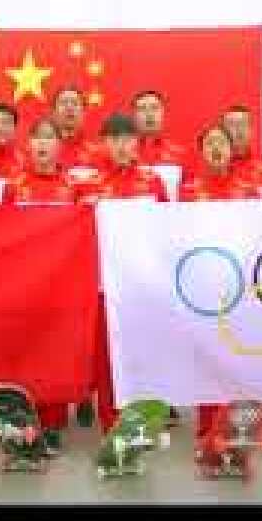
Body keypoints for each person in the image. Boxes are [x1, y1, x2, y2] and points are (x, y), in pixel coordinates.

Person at [76, 113, 170, 433]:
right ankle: (110, 424)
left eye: (127, 139)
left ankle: (140, 420)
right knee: (106, 357)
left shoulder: (152, 182)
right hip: (101, 285)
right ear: (103, 143)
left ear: (137, 143)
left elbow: (165, 230)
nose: (121, 146)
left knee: (141, 352)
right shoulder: (85, 184)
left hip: (139, 283)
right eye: (114, 139)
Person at [0, 116, 87, 455]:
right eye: (36, 137)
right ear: (28, 145)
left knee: (55, 354)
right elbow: (1, 233)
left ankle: (52, 423)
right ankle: (23, 420)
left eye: (49, 138)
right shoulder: (13, 186)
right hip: (23, 284)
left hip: (62, 283)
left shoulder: (74, 186)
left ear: (59, 146)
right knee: (24, 353)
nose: (42, 143)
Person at [179, 123, 262, 442]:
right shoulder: (187, 191)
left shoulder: (249, 189)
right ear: (201, 151)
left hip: (240, 285)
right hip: (203, 286)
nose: (216, 148)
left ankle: (238, 425)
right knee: (207, 356)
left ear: (232, 150)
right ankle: (206, 428)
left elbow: (260, 234)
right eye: (210, 143)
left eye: (222, 143)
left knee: (239, 354)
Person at [132, 89, 188, 199]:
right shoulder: (124, 154)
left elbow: (189, 196)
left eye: (154, 108)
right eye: (142, 109)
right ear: (134, 115)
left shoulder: (180, 154)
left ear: (162, 113)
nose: (149, 114)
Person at [52, 85, 101, 180]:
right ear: (53, 112)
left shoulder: (97, 153)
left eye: (75, 103)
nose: (69, 108)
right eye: (63, 103)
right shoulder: (43, 152)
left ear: (84, 112)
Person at [219, 105, 262, 184]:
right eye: (232, 124)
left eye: (243, 124)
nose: (238, 129)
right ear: (222, 131)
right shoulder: (216, 172)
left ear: (251, 129)